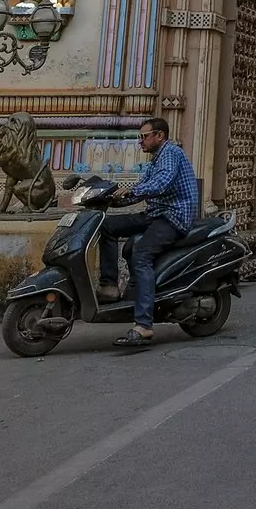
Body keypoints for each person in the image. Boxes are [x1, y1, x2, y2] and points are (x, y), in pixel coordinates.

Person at [99, 117, 199, 348]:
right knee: (107, 225)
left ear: (159, 135)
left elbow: (160, 184)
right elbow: (143, 189)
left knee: (141, 255)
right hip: (156, 213)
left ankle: (144, 324)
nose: (140, 141)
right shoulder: (156, 160)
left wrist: (131, 190)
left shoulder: (171, 153)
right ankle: (109, 286)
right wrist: (113, 199)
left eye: (144, 136)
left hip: (173, 216)